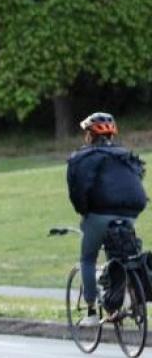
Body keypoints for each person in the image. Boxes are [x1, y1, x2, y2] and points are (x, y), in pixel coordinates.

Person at [67, 112, 147, 325]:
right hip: (130, 213)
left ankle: (92, 312)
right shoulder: (126, 155)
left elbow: (77, 193)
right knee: (125, 253)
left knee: (88, 258)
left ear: (89, 136)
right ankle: (135, 299)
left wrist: (84, 213)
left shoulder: (82, 158)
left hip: (99, 214)